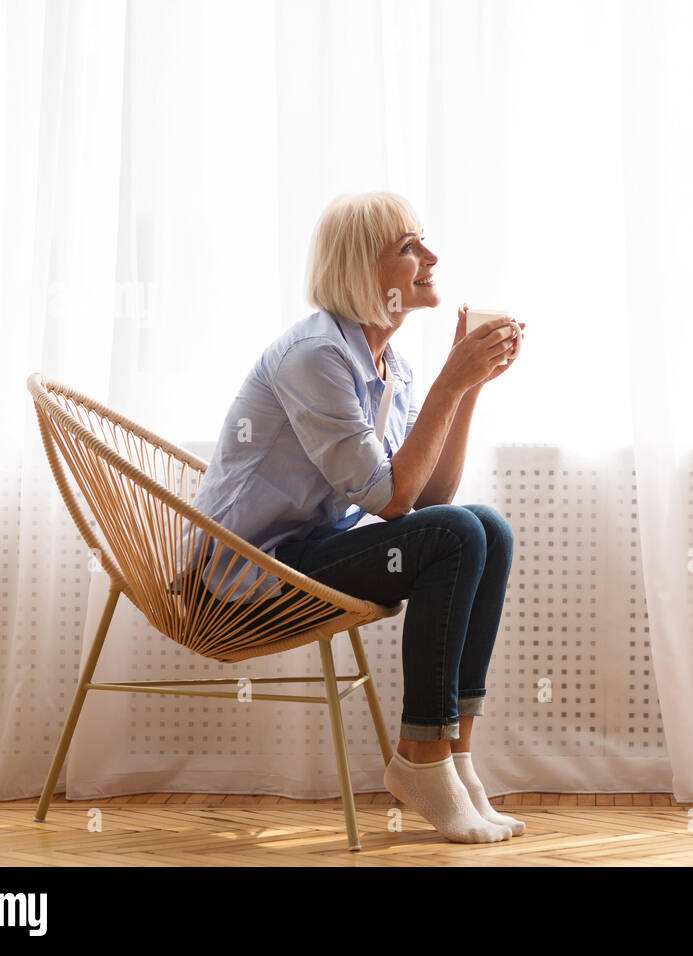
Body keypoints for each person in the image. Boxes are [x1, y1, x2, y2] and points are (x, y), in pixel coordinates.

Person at [189, 191, 526, 843]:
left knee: (488, 528)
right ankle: (422, 760)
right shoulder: (316, 356)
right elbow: (393, 499)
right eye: (408, 247)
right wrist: (450, 383)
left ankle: (453, 754)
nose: (430, 256)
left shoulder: (386, 366)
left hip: (302, 555)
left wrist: (469, 386)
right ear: (361, 271)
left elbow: (432, 496)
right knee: (458, 535)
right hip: (239, 578)